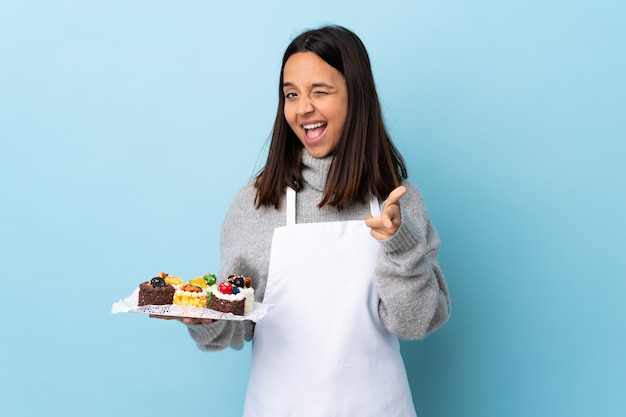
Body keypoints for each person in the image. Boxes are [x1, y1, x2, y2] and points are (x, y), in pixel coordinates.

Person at [182, 25, 450, 416]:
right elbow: (237, 323)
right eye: (291, 94)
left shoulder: (396, 202)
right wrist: (202, 316)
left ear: (356, 97)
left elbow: (416, 323)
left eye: (319, 92)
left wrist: (401, 243)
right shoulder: (257, 203)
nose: (303, 107)